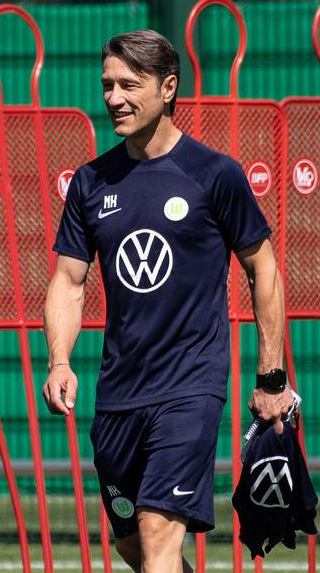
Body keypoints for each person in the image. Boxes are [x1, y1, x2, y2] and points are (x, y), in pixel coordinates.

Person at [42, 29, 294, 573]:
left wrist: (271, 377)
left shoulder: (215, 175)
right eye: (107, 85)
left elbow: (264, 269)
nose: (113, 98)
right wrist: (59, 360)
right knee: (133, 546)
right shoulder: (90, 182)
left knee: (158, 535)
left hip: (190, 388)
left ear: (169, 87)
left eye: (129, 85)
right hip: (117, 395)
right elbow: (68, 281)